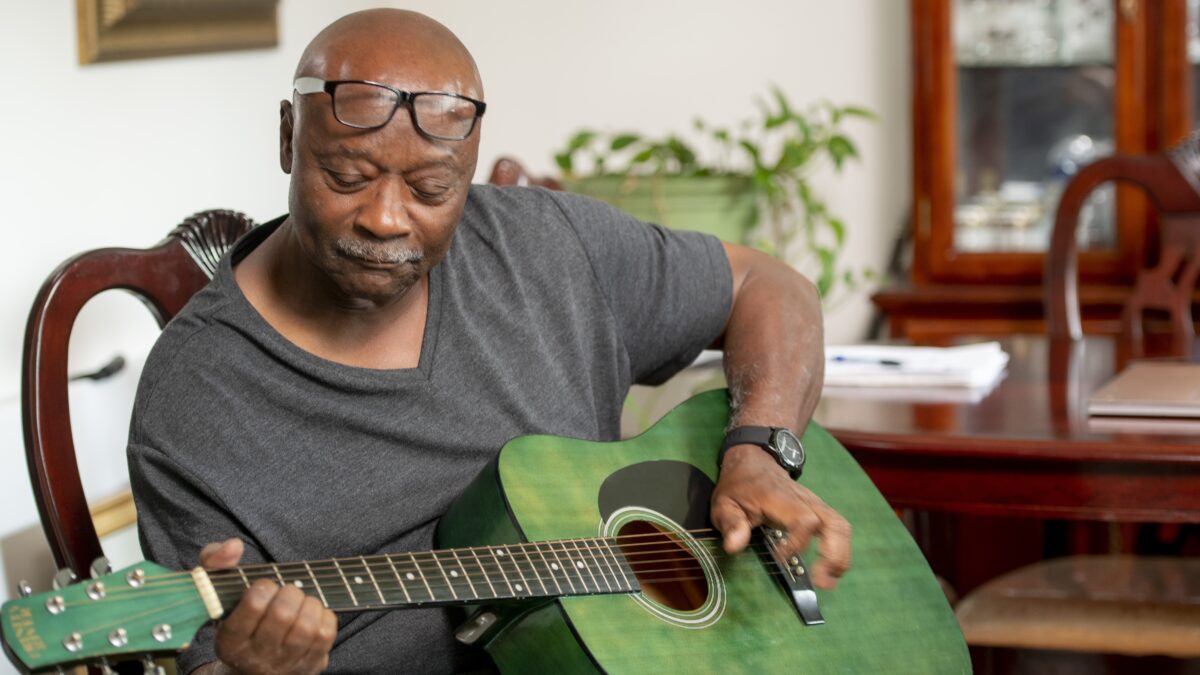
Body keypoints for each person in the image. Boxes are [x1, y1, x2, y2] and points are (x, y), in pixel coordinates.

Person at [127, 8, 850, 674]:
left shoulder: (546, 245)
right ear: (288, 136)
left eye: (431, 188)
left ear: (470, 171)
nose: (385, 217)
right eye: (347, 175)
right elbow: (209, 653)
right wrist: (249, 664)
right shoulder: (194, 394)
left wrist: (760, 451)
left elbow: (771, 285)